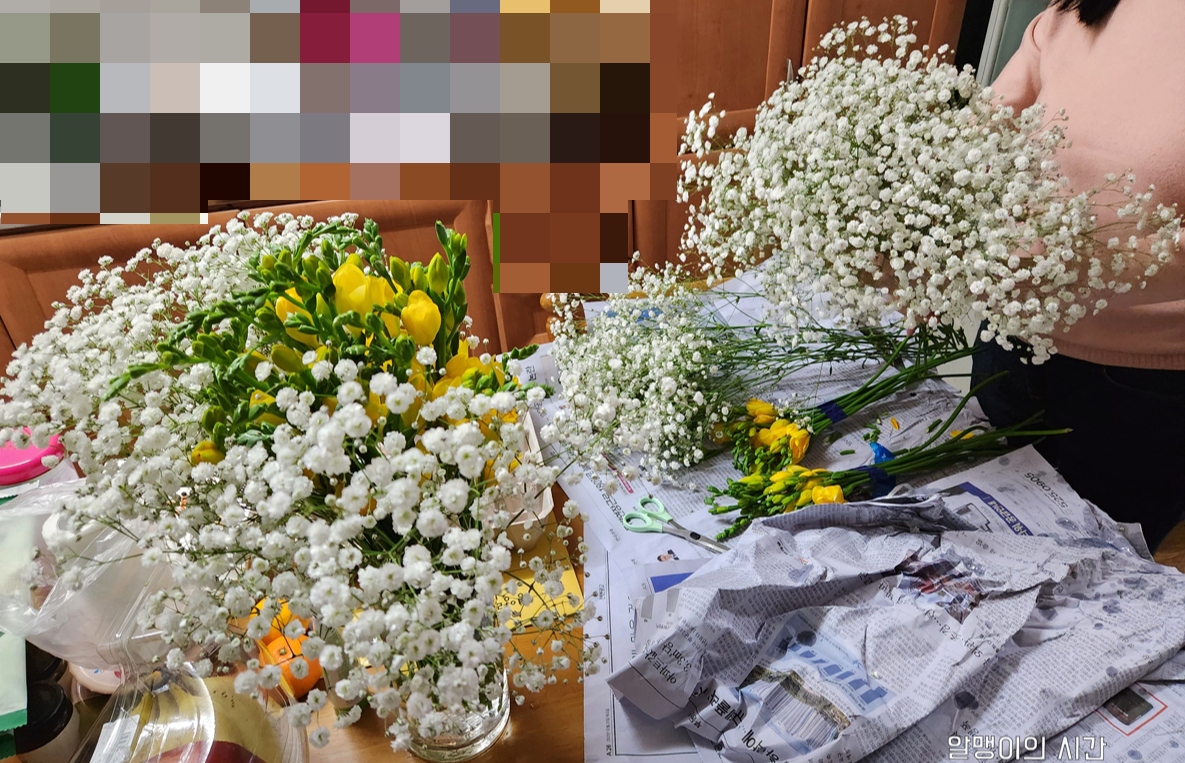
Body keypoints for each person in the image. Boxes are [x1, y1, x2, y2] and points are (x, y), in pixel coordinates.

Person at [972, 0, 1185, 552]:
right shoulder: (1072, 13)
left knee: (1092, 570)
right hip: (1010, 346)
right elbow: (979, 136)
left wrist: (1070, 266)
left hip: (1142, 396)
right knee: (975, 543)